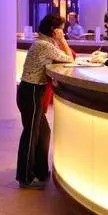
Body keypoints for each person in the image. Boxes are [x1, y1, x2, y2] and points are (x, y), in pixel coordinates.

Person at [16, 13, 74, 189]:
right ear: (53, 30)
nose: (63, 32)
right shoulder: (44, 45)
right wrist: (62, 40)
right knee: (31, 134)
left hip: (31, 91)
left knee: (43, 133)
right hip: (31, 91)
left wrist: (59, 40)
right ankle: (25, 177)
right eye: (61, 29)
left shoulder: (45, 43)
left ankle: (40, 171)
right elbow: (69, 58)